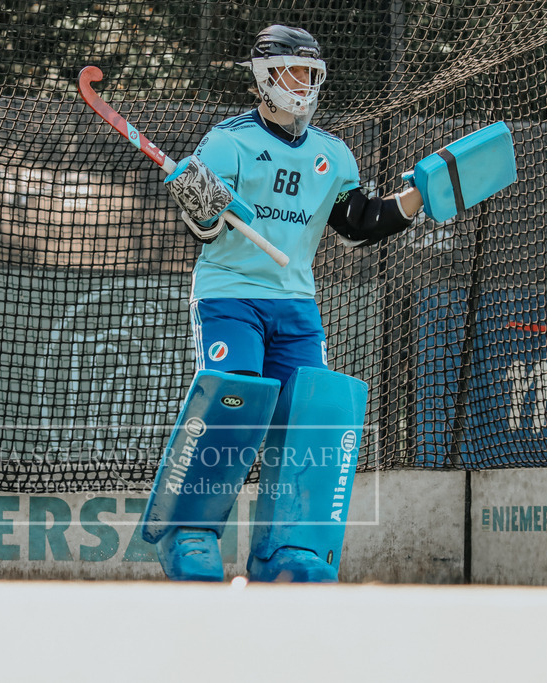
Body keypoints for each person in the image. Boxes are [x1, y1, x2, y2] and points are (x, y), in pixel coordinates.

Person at [139, 24, 424, 583]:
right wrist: (199, 206)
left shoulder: (334, 155)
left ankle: (286, 548)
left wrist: (418, 198)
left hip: (296, 303)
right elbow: (205, 230)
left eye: (312, 74)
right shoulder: (227, 143)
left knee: (309, 419)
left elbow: (357, 224)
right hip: (230, 295)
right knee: (235, 395)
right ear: (266, 78)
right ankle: (189, 533)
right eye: (294, 72)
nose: (305, 84)